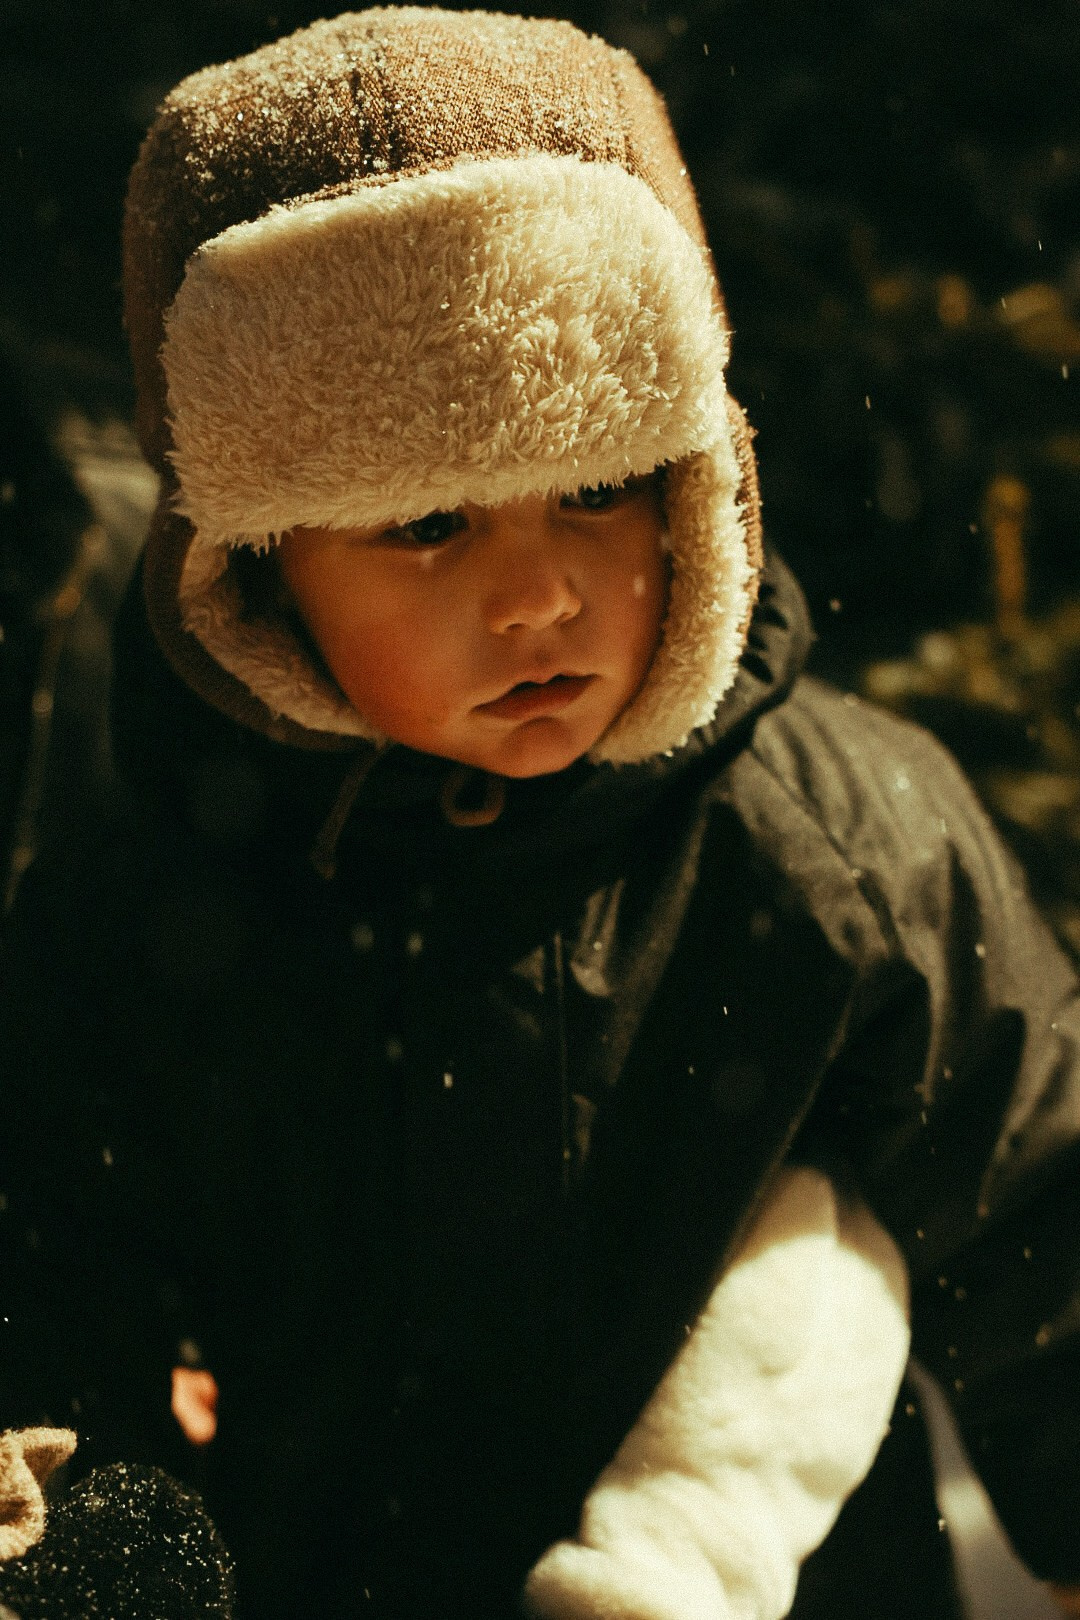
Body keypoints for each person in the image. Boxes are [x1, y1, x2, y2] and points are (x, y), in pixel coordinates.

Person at [1, 9, 1078, 1618]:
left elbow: (1047, 1219)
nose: (538, 596)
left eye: (596, 489)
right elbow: (53, 1293)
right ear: (259, 565)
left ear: (697, 485)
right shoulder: (159, 892)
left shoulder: (840, 846)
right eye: (429, 522)